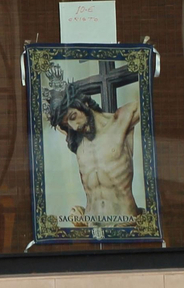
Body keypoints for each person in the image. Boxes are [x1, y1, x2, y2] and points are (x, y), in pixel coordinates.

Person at [48, 89, 141, 221]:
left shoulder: (120, 122)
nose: (74, 127)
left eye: (73, 117)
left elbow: (150, 99)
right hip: (91, 225)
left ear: (84, 104)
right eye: (67, 124)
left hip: (125, 224)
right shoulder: (76, 140)